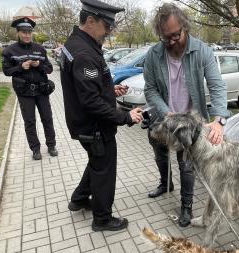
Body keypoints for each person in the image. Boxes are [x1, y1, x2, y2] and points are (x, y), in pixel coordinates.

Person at [60, 0, 143, 232]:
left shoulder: (77, 43)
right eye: (107, 26)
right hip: (95, 128)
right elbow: (91, 102)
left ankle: (78, 200)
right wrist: (125, 117)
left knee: (98, 164)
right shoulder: (84, 52)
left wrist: (110, 90)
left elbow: (88, 89)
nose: (109, 31)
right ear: (90, 21)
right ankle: (103, 219)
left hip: (85, 124)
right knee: (104, 171)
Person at [144, 3, 229, 227]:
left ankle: (186, 205)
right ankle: (165, 183)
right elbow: (150, 89)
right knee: (159, 151)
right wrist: (166, 112)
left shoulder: (202, 51)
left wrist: (219, 119)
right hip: (163, 116)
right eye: (166, 38)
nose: (171, 42)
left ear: (185, 27)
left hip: (190, 123)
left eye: (175, 35)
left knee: (186, 164)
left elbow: (217, 85)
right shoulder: (153, 55)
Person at [2, 17, 58, 160]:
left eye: (29, 32)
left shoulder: (40, 49)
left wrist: (38, 65)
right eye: (24, 32)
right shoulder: (10, 50)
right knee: (30, 121)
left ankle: (51, 145)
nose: (27, 35)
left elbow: (50, 69)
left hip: (41, 90)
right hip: (24, 92)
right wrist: (20, 67)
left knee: (47, 118)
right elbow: (7, 71)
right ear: (18, 33)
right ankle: (35, 149)